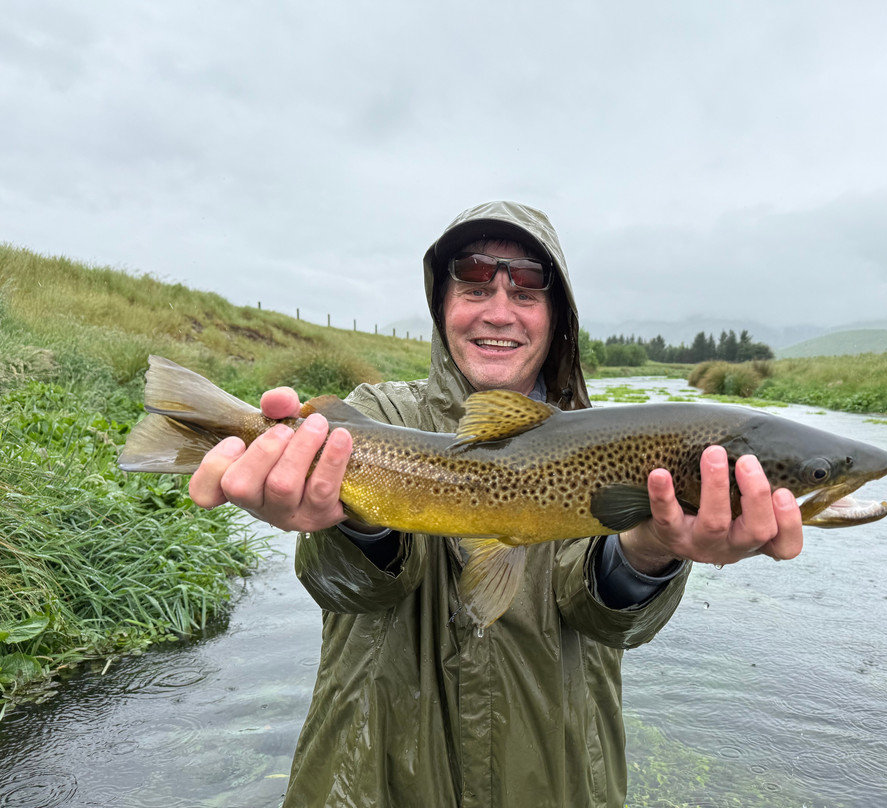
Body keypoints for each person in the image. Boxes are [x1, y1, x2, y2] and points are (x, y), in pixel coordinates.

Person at [189, 201, 803, 808]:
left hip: (556, 783)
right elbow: (346, 588)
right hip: (369, 783)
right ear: (441, 307)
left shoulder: (609, 445)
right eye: (475, 285)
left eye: (527, 292)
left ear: (557, 318)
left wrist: (651, 552)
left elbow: (606, 617)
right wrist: (355, 524)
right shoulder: (377, 418)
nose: (500, 312)